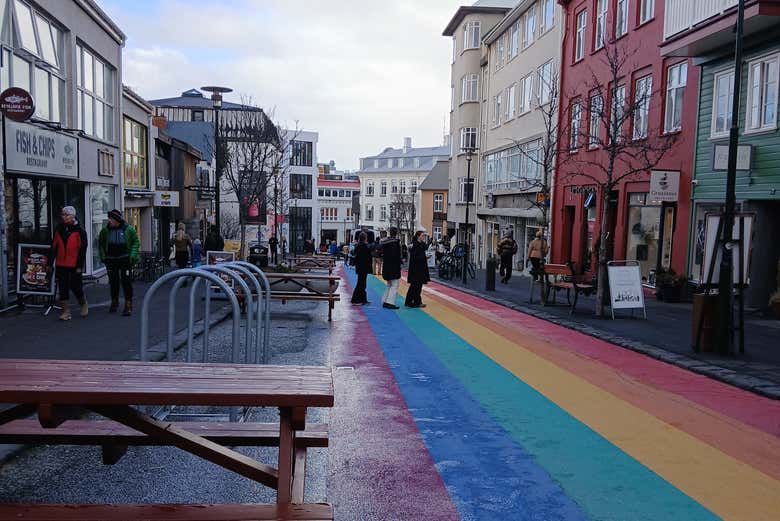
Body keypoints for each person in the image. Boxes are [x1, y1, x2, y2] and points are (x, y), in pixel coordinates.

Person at [98, 209, 140, 315]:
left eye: (111, 219)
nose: (109, 221)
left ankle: (128, 304)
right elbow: (101, 244)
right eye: (109, 218)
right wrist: (103, 256)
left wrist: (132, 255)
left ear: (117, 219)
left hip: (125, 258)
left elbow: (135, 242)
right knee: (113, 282)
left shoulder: (128, 229)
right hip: (111, 259)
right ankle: (114, 301)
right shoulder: (105, 231)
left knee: (126, 282)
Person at [50, 206, 88, 321]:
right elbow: (54, 247)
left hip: (74, 264)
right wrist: (49, 263)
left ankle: (83, 303)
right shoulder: (59, 229)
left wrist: (79, 266)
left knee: (76, 286)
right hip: (61, 263)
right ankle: (66, 312)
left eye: (66, 215)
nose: (64, 217)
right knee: (63, 288)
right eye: (63, 215)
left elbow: (82, 250)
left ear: (73, 216)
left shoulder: (80, 231)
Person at [405, 231, 430, 308]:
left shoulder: (421, 244)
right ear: (418, 236)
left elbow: (426, 247)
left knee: (418, 286)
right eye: (422, 236)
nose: (423, 237)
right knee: (414, 286)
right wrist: (424, 257)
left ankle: (416, 301)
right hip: (416, 269)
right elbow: (415, 257)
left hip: (421, 268)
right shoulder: (415, 245)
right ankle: (410, 301)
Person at [380, 227, 402, 309]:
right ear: (396, 233)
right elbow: (396, 256)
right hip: (393, 267)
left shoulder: (384, 242)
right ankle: (390, 302)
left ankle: (385, 300)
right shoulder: (395, 243)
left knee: (389, 284)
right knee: (394, 285)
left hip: (386, 266)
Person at [350, 232, 372, 305]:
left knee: (362, 283)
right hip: (364, 267)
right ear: (365, 238)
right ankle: (356, 299)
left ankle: (363, 299)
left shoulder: (358, 246)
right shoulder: (365, 247)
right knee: (361, 283)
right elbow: (368, 257)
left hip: (360, 267)